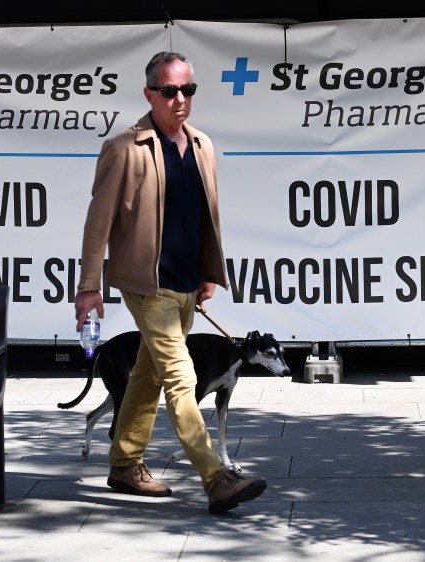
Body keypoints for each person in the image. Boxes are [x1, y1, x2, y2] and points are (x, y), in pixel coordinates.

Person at [74, 51, 266, 514]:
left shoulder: (202, 145)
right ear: (149, 94)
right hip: (146, 284)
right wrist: (88, 286)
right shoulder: (125, 147)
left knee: (147, 374)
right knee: (182, 377)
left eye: (188, 90)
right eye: (169, 90)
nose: (180, 99)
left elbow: (204, 217)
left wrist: (207, 273)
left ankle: (124, 463)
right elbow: (97, 222)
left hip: (185, 284)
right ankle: (216, 477)